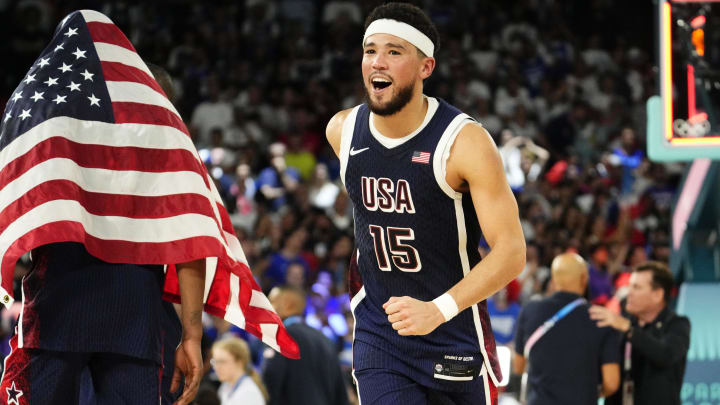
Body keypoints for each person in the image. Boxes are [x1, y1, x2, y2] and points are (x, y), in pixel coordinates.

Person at [325, 3, 526, 404]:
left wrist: (438, 308)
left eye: (394, 52)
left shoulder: (464, 142)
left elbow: (511, 252)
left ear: (425, 67)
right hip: (380, 334)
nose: (377, 62)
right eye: (370, 50)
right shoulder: (342, 130)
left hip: (453, 331)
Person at [514, 253, 621, 405]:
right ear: (585, 278)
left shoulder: (530, 310)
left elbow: (518, 367)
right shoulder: (602, 318)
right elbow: (611, 382)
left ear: (553, 279)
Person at [589, 261, 690, 405]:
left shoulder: (677, 324)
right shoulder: (621, 323)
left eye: (636, 287)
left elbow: (666, 355)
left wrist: (628, 329)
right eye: (630, 286)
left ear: (657, 294)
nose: (628, 292)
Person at [262, 285, 349, 405]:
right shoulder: (325, 339)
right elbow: (340, 391)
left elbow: (270, 381)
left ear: (288, 304)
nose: (268, 306)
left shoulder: (280, 336)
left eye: (272, 301)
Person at [211, 337, 267, 405]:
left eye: (222, 362)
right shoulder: (225, 387)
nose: (217, 367)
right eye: (215, 362)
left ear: (239, 362)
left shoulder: (249, 394)